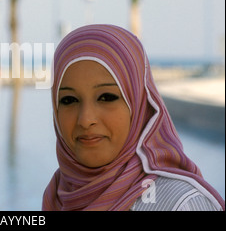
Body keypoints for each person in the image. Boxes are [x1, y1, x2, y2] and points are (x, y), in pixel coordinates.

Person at [42, 24, 225, 211]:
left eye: (107, 97)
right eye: (69, 100)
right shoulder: (58, 196)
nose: (85, 119)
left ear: (139, 106)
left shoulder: (179, 203)